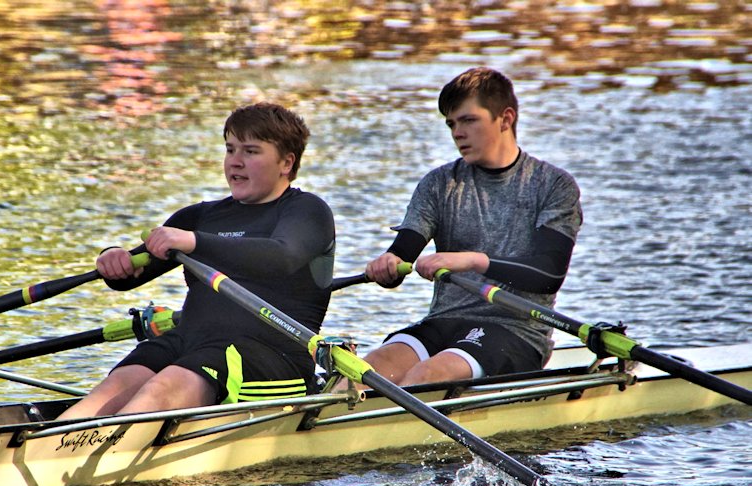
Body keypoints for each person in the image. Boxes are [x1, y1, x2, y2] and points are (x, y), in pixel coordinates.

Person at [58, 103, 335, 419]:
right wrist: (113, 258)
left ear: (286, 162)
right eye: (230, 150)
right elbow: (130, 274)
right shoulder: (200, 216)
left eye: (251, 151)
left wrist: (193, 241)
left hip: (268, 356)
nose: (236, 162)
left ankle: (106, 449)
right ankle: (54, 447)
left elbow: (282, 256)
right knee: (114, 388)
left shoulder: (307, 212)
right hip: (188, 342)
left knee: (162, 389)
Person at [359, 67, 582, 387]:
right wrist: (389, 264)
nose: (457, 132)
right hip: (444, 322)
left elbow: (548, 276)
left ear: (505, 119)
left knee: (426, 376)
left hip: (515, 331)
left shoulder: (552, 185)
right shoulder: (439, 184)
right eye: (451, 123)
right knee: (363, 372)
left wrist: (472, 260)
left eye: (468, 120)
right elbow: (404, 249)